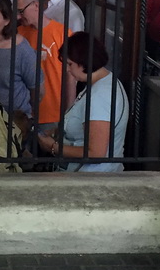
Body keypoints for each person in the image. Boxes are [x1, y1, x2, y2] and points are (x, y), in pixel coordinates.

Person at [37, 33, 128, 172]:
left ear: (84, 61)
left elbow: (95, 153)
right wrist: (59, 131)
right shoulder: (104, 81)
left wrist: (53, 147)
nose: (67, 69)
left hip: (91, 178)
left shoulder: (99, 96)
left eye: (70, 64)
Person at [16, 0, 71, 129]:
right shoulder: (18, 34)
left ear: (36, 5)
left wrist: (69, 113)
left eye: (21, 11)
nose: (18, 16)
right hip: (23, 113)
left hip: (54, 114)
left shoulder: (63, 34)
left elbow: (71, 76)